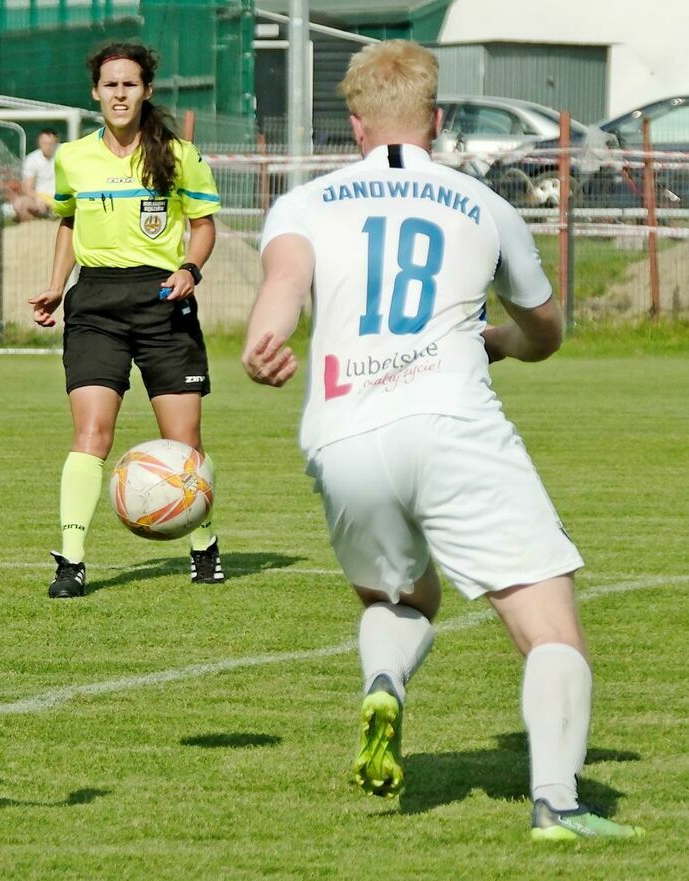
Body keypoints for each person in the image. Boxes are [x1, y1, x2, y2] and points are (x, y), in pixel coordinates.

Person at [242, 40, 642, 840]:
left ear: (354, 124)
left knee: (401, 597)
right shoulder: (482, 204)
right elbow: (547, 330)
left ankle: (385, 678)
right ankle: (558, 804)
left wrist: (266, 340)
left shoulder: (305, 203)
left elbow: (283, 288)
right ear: (438, 119)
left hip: (344, 433)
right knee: (549, 627)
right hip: (453, 423)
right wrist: (501, 341)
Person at [29, 42, 223, 599]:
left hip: (164, 299)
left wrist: (190, 267)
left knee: (182, 439)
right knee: (92, 432)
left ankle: (202, 544)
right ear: (96, 92)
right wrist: (56, 285)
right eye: (110, 85)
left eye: (129, 84)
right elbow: (68, 224)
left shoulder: (180, 155)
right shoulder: (73, 157)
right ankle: (70, 560)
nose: (119, 94)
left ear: (146, 91)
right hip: (95, 304)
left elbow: (204, 226)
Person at [12, 128, 60, 221]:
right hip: (42, 197)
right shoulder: (32, 159)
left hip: (62, 197)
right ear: (39, 143)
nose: (48, 146)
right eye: (44, 143)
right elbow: (27, 187)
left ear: (56, 143)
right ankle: (32, 226)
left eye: (51, 143)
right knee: (19, 204)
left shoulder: (64, 153)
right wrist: (37, 198)